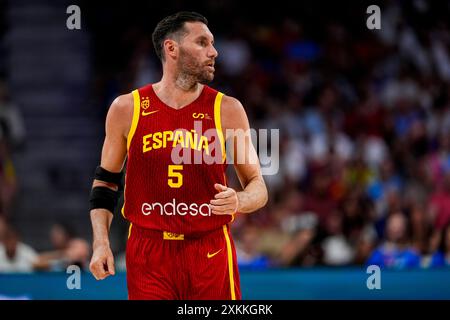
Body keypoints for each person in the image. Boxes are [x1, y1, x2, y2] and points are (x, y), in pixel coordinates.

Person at [88, 12, 268, 300]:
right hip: (148, 251)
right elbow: (105, 184)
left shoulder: (227, 109)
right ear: (171, 48)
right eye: (202, 42)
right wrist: (100, 242)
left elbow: (258, 186)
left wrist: (239, 200)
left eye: (212, 43)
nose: (214, 52)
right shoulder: (127, 108)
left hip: (209, 248)